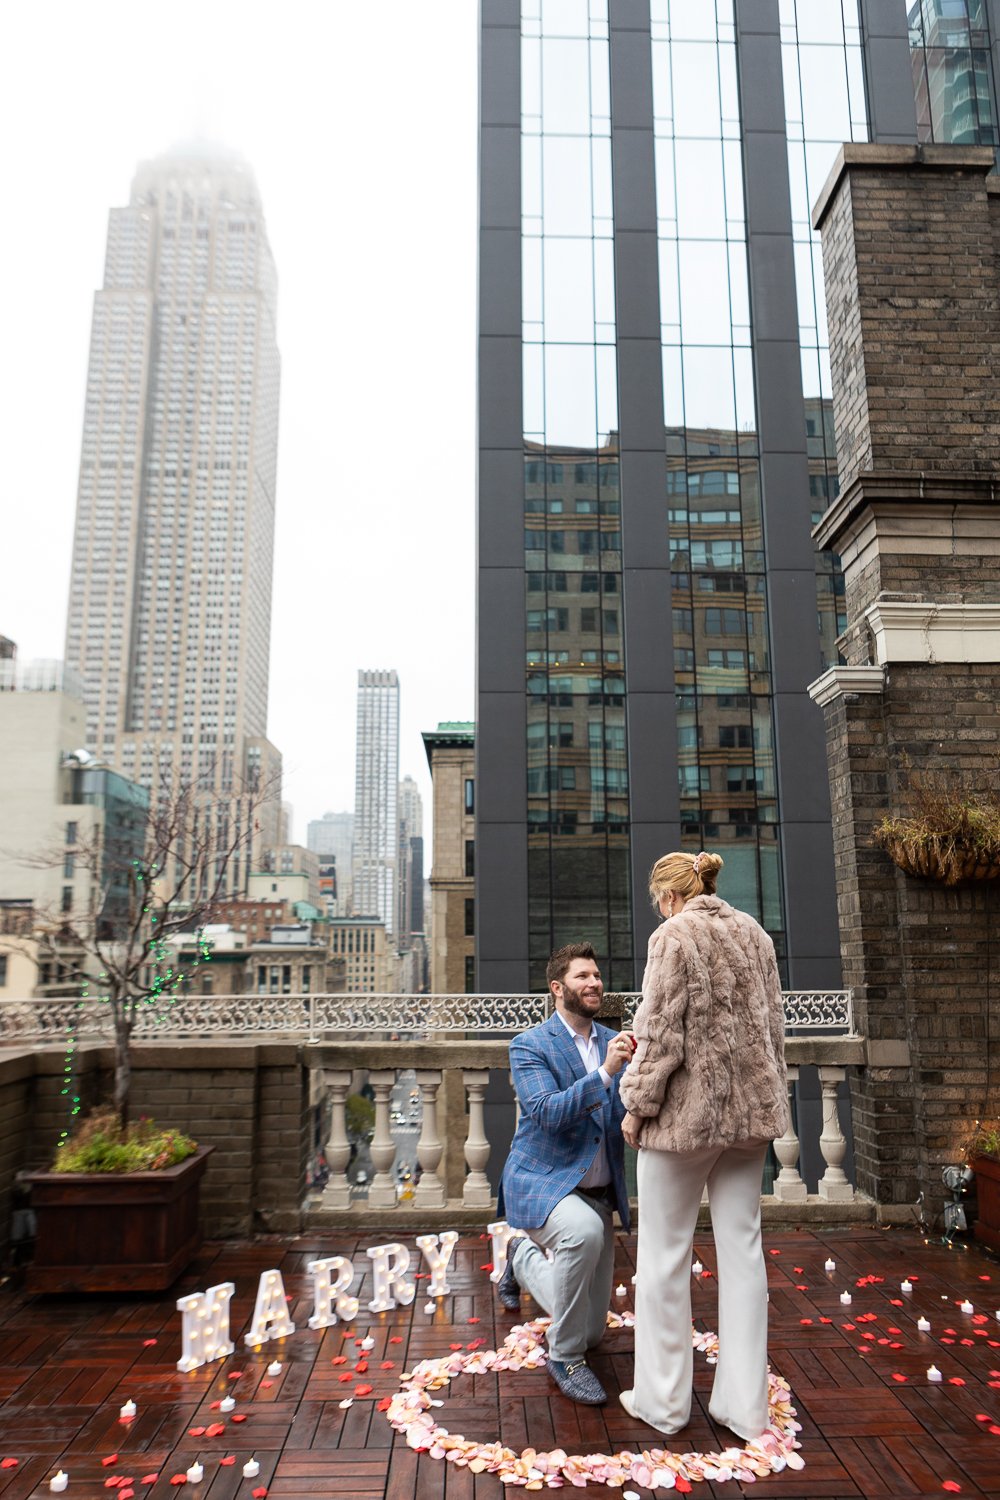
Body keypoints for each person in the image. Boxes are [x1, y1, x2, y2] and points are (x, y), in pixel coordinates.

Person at [618, 851, 787, 1440]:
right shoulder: (756, 935)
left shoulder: (673, 936)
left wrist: (637, 1105)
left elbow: (659, 1035)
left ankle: (663, 1403)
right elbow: (773, 1030)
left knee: (664, 1258)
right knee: (743, 1253)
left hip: (687, 1121)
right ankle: (744, 1407)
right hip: (749, 1120)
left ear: (667, 897)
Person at [496, 942, 632, 1405]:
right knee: (583, 1233)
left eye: (596, 974)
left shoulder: (615, 1042)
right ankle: (564, 1356)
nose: (594, 982)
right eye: (581, 976)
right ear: (558, 988)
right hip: (543, 1181)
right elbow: (547, 1112)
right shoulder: (530, 1045)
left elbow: (623, 1113)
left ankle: (520, 1259)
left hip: (596, 1191)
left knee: (594, 1330)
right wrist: (606, 1074)